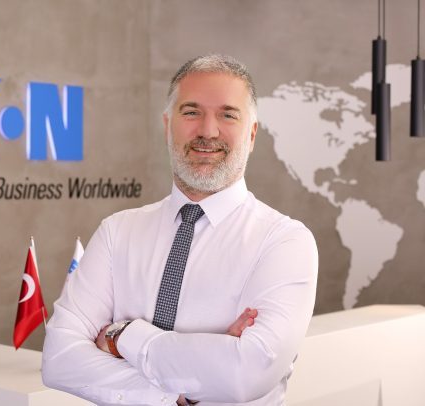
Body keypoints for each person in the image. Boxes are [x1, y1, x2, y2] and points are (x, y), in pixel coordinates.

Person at [41, 54, 318, 406]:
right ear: (167, 125)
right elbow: (60, 359)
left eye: (228, 115)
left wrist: (123, 336)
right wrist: (177, 391)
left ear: (251, 134)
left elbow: (245, 374)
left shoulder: (285, 241)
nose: (207, 131)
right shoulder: (116, 232)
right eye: (191, 112)